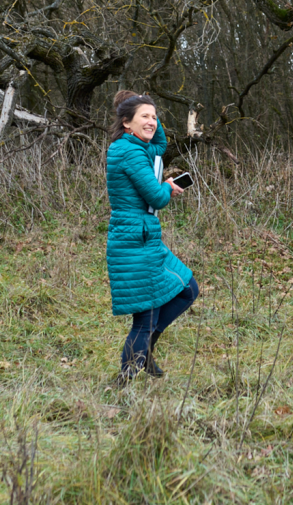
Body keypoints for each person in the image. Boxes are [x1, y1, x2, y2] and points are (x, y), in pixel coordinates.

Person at [105, 89, 198, 385]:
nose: (152, 122)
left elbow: (160, 142)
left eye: (155, 117)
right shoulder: (130, 152)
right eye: (145, 117)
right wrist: (169, 186)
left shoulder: (138, 145)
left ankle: (144, 351)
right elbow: (156, 198)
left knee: (187, 289)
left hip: (145, 239)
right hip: (134, 240)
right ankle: (126, 380)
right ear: (126, 123)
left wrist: (149, 112)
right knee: (144, 319)